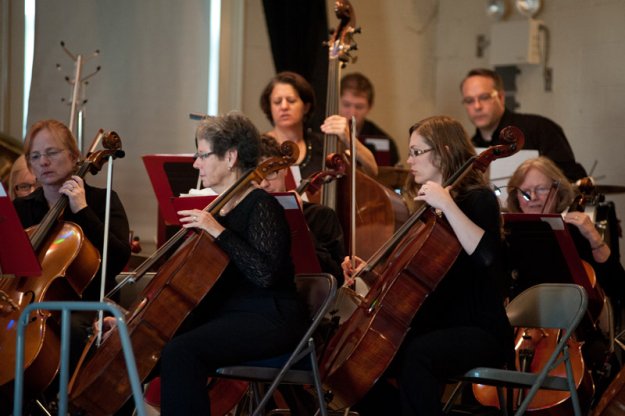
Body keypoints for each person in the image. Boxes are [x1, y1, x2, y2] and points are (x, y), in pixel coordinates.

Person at [343, 115, 514, 415]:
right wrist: (370, 274)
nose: (408, 160)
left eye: (416, 152)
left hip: (479, 331)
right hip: (435, 326)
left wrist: (447, 204)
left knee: (418, 355)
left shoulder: (478, 199)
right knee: (361, 366)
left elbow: (486, 256)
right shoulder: (426, 211)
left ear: (444, 151)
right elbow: (415, 277)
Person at [159, 112, 309, 415]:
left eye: (202, 155)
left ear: (230, 156)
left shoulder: (262, 205)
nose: (195, 164)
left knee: (182, 351)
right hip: (232, 314)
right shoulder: (217, 208)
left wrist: (217, 231)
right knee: (150, 341)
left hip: (270, 317)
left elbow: (265, 274)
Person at [505, 156, 625, 396]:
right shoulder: (506, 235)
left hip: (572, 337)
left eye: (540, 189)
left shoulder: (575, 233)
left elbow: (619, 287)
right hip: (518, 334)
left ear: (558, 193)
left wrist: (594, 238)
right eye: (524, 191)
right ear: (515, 196)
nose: (533, 198)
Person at [460, 68, 587, 181]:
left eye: (484, 97)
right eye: (469, 100)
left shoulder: (540, 128)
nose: (477, 106)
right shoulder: (471, 147)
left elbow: (571, 178)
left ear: (501, 97)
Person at [259, 71, 378, 183]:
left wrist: (349, 138)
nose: (284, 106)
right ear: (269, 107)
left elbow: (372, 171)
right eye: (277, 102)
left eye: (291, 100)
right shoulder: (259, 147)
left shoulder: (324, 145)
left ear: (306, 107)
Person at [258, 134, 345, 284]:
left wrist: (298, 220)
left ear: (285, 170)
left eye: (271, 172)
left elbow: (335, 277)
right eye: (257, 176)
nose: (264, 184)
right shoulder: (246, 217)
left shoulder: (322, 216)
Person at [339, 72, 400, 167]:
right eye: (346, 105)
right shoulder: (319, 134)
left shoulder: (385, 142)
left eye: (359, 107)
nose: (352, 113)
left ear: (369, 107)